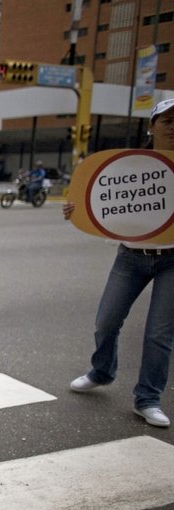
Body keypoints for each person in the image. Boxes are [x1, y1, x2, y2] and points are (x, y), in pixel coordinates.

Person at [65, 98, 174, 428]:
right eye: (166, 120)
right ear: (151, 126)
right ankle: (101, 371)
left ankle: (148, 398)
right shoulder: (128, 165)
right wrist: (77, 211)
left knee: (159, 334)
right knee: (106, 322)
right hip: (131, 256)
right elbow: (103, 200)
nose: (173, 126)